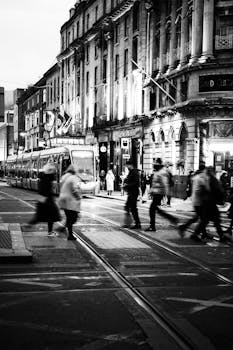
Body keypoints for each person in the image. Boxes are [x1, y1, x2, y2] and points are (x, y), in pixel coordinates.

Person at [145, 158, 178, 232]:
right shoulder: (158, 172)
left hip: (159, 193)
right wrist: (150, 192)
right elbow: (154, 184)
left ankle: (152, 226)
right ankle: (172, 218)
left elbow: (165, 184)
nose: (154, 166)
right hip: (157, 193)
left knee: (152, 209)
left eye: (155, 164)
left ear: (159, 165)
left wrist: (167, 194)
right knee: (156, 209)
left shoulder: (162, 172)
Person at [28, 163, 61, 236]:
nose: (55, 172)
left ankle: (31, 224)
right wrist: (49, 198)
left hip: (44, 200)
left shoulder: (44, 178)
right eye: (53, 171)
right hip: (46, 200)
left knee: (43, 215)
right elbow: (46, 191)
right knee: (50, 216)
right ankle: (49, 231)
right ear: (50, 172)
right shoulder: (47, 179)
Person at [58, 165, 82, 241]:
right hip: (70, 201)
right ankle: (67, 232)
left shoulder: (65, 176)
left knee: (69, 218)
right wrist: (78, 197)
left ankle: (68, 232)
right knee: (73, 218)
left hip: (63, 199)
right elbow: (75, 189)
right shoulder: (74, 178)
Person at [123, 159, 141, 229]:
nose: (127, 167)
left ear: (130, 165)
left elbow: (135, 182)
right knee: (127, 207)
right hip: (131, 192)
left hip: (134, 192)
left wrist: (127, 185)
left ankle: (137, 223)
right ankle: (129, 222)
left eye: (127, 165)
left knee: (133, 208)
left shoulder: (135, 172)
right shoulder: (131, 172)